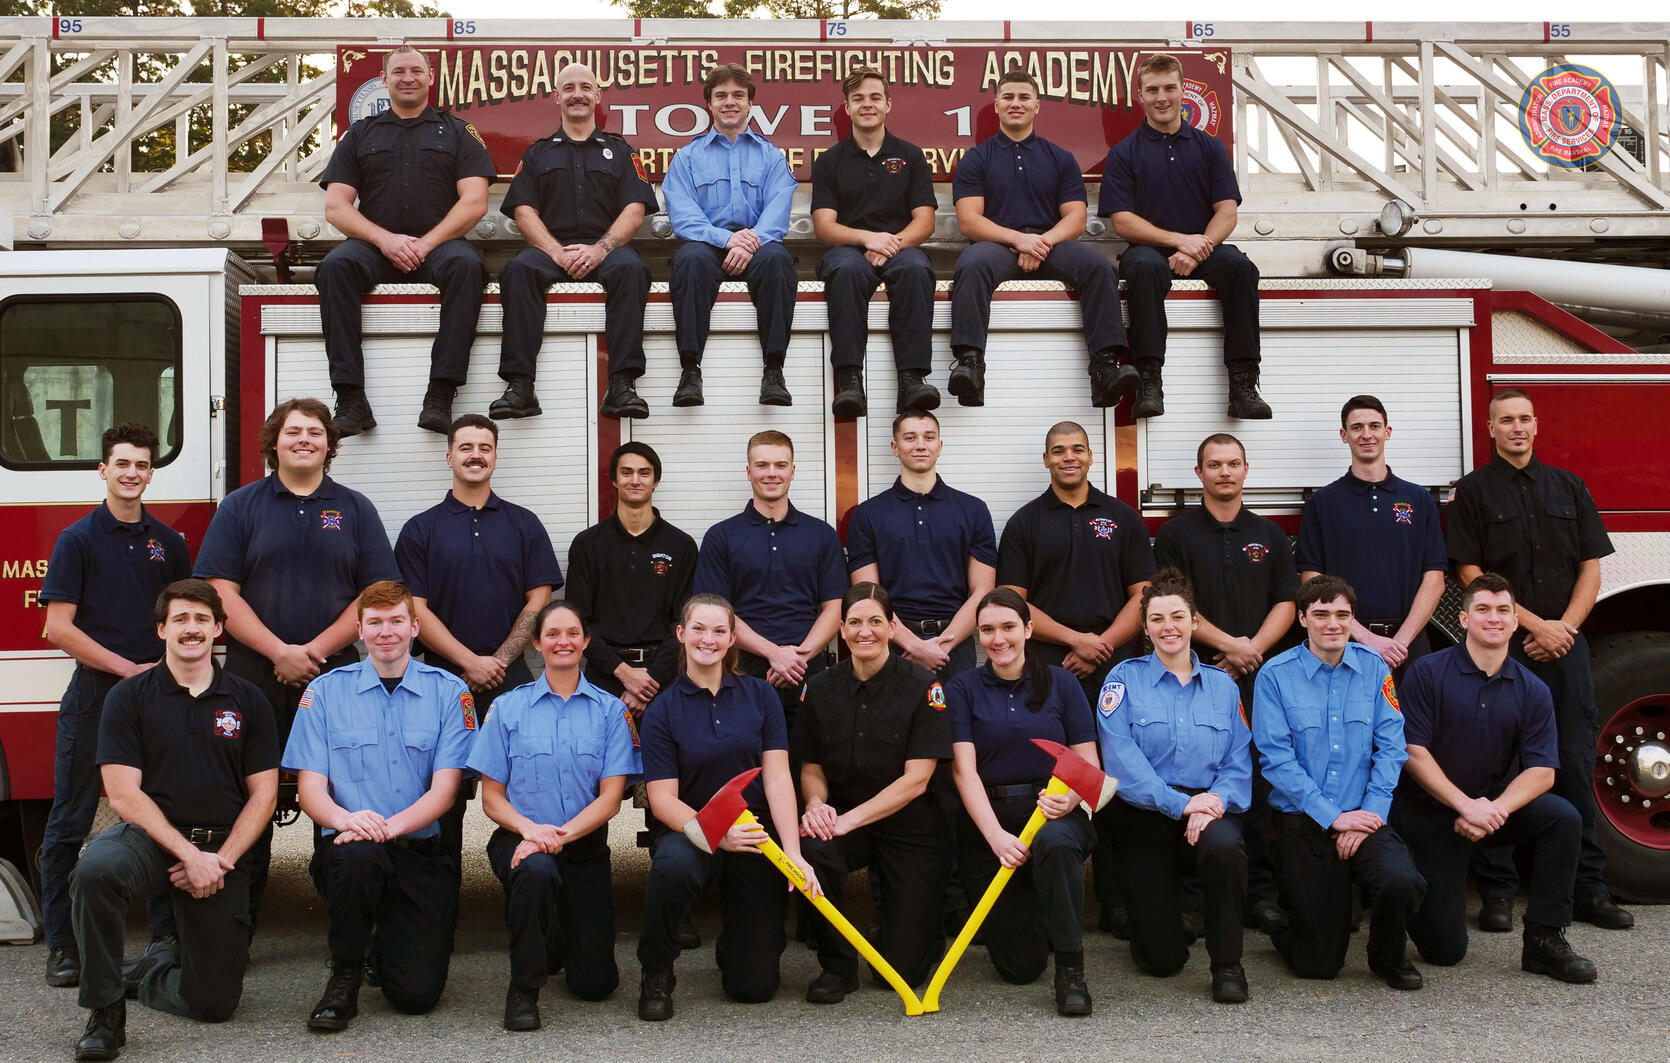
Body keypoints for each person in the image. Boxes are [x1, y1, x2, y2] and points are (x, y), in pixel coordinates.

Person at [193, 397, 401, 922]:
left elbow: (376, 593)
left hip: (335, 679)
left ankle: (345, 917)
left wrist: (314, 653)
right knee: (249, 791)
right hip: (251, 678)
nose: (304, 439)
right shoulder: (240, 506)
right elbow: (220, 590)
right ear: (274, 443)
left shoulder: (355, 508)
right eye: (293, 431)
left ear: (330, 445)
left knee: (336, 789)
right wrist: (278, 652)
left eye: (315, 431)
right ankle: (238, 918)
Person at [68, 580, 278, 1060]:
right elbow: (123, 793)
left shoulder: (248, 701)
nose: (192, 628)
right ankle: (105, 1013)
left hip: (223, 850)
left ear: (219, 629)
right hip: (153, 839)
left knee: (213, 1004)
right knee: (95, 871)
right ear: (162, 629)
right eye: (181, 619)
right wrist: (188, 855)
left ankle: (150, 971)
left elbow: (264, 795)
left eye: (202, 619)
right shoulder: (130, 698)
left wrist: (218, 861)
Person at [1447, 389, 1631, 932]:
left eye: (1525, 419)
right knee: (1495, 762)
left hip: (1564, 647)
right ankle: (1499, 891)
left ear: (1536, 425)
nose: (1517, 428)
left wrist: (1564, 630)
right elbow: (1470, 575)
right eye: (1506, 420)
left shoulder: (1568, 487)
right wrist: (1532, 626)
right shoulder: (1474, 492)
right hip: (1506, 647)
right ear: (1491, 428)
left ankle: (1588, 889)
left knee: (1573, 760)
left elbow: (1592, 566)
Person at [283, 581, 474, 1032]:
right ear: (359, 630)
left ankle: (382, 943)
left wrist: (386, 828)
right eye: (375, 623)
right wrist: (346, 820)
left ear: (415, 627)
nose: (385, 632)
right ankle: (344, 978)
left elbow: (445, 791)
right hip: (351, 850)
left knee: (416, 997)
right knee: (357, 856)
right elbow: (309, 789)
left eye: (395, 622)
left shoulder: (451, 693)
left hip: (418, 855)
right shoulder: (325, 693)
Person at [39, 423, 190, 990]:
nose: (132, 473)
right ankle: (62, 945)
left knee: (160, 813)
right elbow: (58, 628)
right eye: (121, 463)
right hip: (96, 697)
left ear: (152, 472)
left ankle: (163, 938)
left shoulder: (169, 544)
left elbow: (185, 617)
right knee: (69, 821)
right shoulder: (77, 539)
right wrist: (128, 670)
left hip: (157, 700)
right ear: (102, 470)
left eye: (142, 465)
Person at [1394, 573, 1599, 984]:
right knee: (1445, 952)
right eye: (1483, 609)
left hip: (1487, 810)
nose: (1494, 618)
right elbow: (1412, 754)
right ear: (1464, 619)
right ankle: (1415, 903)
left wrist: (1494, 809)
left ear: (1514, 619)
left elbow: (1542, 771)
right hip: (1430, 815)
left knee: (1563, 817)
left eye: (1503, 610)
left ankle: (1545, 939)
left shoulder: (1532, 688)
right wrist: (1463, 805)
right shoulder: (1426, 673)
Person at [996, 420, 1154, 931]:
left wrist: (1101, 643)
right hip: (1050, 670)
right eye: (1058, 451)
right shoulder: (1024, 523)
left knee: (1117, 776)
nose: (1069, 457)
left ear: (1092, 457)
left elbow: (1143, 595)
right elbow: (1014, 602)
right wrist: (1074, 641)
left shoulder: (1122, 518)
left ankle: (1117, 900)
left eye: (1078, 449)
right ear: (1046, 459)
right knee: (1056, 778)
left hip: (1116, 670)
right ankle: (1051, 893)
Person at [395, 413, 561, 886]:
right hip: (439, 684)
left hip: (512, 683)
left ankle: (528, 890)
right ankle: (434, 906)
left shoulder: (524, 524)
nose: (475, 454)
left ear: (495, 456)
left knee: (526, 791)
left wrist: (500, 662)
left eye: (484, 447)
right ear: (449, 456)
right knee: (440, 798)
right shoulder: (420, 529)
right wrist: (469, 662)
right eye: (465, 446)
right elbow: (415, 609)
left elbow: (540, 598)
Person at [635, 594, 819, 1020]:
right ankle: (657, 969)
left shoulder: (761, 696)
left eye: (720, 630)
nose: (708, 639)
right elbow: (662, 799)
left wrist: (792, 852)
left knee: (753, 988)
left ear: (733, 637)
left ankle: (736, 945)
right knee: (672, 869)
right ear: (681, 635)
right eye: (698, 628)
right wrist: (714, 833)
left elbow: (776, 778)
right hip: (690, 830)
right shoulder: (662, 709)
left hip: (753, 833)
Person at [467, 601, 640, 1031]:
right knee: (538, 870)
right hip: (520, 840)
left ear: (585, 641)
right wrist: (531, 831)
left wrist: (560, 836)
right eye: (552, 634)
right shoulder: (507, 709)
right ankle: (523, 991)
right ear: (536, 643)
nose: (563, 641)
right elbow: (492, 798)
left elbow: (611, 799)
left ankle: (556, 932)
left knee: (596, 985)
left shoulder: (610, 712)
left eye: (572, 633)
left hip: (582, 846)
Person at [1253, 575, 1427, 990]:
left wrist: (1369, 814)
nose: (1333, 623)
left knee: (1401, 880)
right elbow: (1276, 760)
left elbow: (1392, 748)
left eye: (1343, 615)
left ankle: (1386, 956)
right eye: (1321, 614)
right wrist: (1334, 819)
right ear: (1302, 618)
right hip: (1307, 820)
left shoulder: (1374, 670)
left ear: (1353, 619)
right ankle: (1281, 925)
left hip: (1365, 813)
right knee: (1318, 965)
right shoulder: (1274, 676)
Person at [1154, 433, 1295, 935]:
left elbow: (1287, 601)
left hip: (1261, 683)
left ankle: (1257, 894)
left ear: (1246, 469)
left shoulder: (1271, 535)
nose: (1224, 472)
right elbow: (1174, 604)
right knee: (1193, 774)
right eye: (1214, 465)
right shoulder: (1176, 536)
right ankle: (1193, 898)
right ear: (1199, 474)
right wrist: (1230, 649)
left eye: (1233, 463)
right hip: (1196, 675)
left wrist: (1250, 650)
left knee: (1255, 781)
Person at [314, 43, 495, 436]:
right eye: (398, 72)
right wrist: (386, 241)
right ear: (384, 79)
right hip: (375, 245)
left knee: (467, 267)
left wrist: (425, 244)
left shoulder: (459, 132)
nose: (408, 77)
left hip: (440, 244)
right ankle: (350, 399)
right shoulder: (360, 134)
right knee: (334, 268)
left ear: (431, 77)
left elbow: (475, 202)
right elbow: (337, 207)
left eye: (416, 70)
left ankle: (441, 395)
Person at [1097, 570, 1252, 1004]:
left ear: (1194, 622)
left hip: (1208, 809)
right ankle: (1163, 925)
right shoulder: (1122, 680)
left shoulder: (1223, 687)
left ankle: (1228, 964)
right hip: (1145, 814)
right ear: (1145, 627)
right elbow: (1122, 761)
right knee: (1162, 961)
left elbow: (1239, 761)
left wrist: (1213, 802)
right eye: (1158, 618)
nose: (1169, 627)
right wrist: (1181, 805)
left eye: (1178, 616)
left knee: (1225, 849)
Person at [794, 583, 952, 1002]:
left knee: (899, 972)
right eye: (855, 622)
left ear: (892, 626)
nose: (866, 631)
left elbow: (917, 779)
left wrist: (847, 819)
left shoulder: (923, 688)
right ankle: (838, 965)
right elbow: (811, 767)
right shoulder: (820, 688)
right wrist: (815, 804)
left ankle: (913, 927)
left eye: (876, 622)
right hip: (846, 819)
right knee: (811, 848)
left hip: (910, 827)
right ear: (841, 630)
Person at [946, 588, 1098, 1016]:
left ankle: (1071, 967)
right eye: (988, 630)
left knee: (1056, 844)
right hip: (990, 823)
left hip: (1052, 811)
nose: (999, 639)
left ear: (1028, 630)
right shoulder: (962, 689)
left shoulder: (1063, 682)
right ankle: (1040, 913)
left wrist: (1068, 798)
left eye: (1009, 627)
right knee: (1020, 967)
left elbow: (1087, 763)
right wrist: (994, 837)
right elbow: (963, 771)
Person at [1099, 52, 1270, 420]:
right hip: (1148, 250)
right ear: (1140, 96)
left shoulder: (1209, 147)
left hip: (1204, 246)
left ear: (1182, 91)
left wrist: (1198, 248)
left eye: (1169, 88)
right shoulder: (1125, 153)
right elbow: (1123, 222)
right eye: (1153, 89)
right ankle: (1149, 381)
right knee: (1143, 270)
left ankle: (1243, 384)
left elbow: (1227, 212)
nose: (1162, 96)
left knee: (1241, 269)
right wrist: (1180, 241)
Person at [949, 68, 1130, 409]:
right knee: (970, 265)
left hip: (1052, 244)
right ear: (996, 105)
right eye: (1008, 97)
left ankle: (1105, 367)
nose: (1016, 103)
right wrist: (1020, 240)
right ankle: (970, 364)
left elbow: (1075, 219)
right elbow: (969, 220)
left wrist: (1041, 242)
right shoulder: (976, 158)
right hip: (996, 247)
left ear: (1037, 105)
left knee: (1099, 267)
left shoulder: (1060, 158)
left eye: (1023, 97)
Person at [492, 63, 659, 421]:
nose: (577, 94)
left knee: (632, 269)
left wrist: (600, 249)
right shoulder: (537, 154)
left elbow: (634, 209)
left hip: (607, 249)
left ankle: (623, 384)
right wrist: (555, 251)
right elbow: (523, 211)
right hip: (552, 249)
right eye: (568, 88)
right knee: (517, 270)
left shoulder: (621, 151)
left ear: (598, 96)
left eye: (586, 87)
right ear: (557, 97)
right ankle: (520, 386)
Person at [662, 62, 799, 408]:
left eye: (738, 95)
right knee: (690, 260)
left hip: (758, 245)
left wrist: (750, 240)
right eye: (721, 95)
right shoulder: (687, 157)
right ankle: (690, 370)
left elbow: (777, 211)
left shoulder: (771, 156)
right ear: (708, 104)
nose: (729, 102)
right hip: (708, 244)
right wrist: (726, 240)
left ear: (750, 103)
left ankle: (774, 370)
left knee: (778, 261)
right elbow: (683, 215)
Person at [692, 430, 846, 737]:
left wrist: (797, 657)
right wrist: (774, 654)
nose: (771, 473)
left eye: (780, 465)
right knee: (746, 770)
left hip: (809, 674)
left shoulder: (821, 535)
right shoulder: (721, 537)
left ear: (792, 470)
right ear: (749, 471)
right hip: (740, 674)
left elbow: (835, 606)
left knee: (806, 767)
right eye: (762, 465)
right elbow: (715, 614)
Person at [811, 67, 940, 417]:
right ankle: (850, 379)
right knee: (847, 272)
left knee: (916, 269)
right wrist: (867, 238)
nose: (867, 105)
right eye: (858, 99)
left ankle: (913, 379)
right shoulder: (829, 161)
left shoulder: (911, 156)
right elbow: (824, 225)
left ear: (888, 104)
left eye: (874, 97)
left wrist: (891, 245)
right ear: (847, 108)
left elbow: (924, 221)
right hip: (847, 248)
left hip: (901, 247)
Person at [1295, 395, 1446, 679]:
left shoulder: (1419, 499)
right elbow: (1311, 581)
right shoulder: (1323, 503)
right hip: (1342, 643)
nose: (1366, 435)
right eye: (1357, 427)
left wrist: (1399, 643)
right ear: (1344, 435)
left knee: (1412, 724)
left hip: (1409, 646)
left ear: (1387, 432)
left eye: (1374, 426)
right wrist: (1367, 639)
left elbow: (1435, 580)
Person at [846, 410, 997, 681]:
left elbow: (983, 591)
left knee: (953, 723)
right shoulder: (867, 514)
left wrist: (942, 647)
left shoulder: (973, 510)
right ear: (895, 447)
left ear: (939, 446)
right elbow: (868, 594)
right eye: (910, 437)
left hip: (956, 647)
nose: (920, 445)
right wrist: (915, 646)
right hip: (891, 646)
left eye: (929, 437)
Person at [566, 442, 697, 716]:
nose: (635, 480)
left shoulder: (681, 545)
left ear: (656, 481)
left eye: (644, 473)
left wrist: (651, 680)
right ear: (614, 479)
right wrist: (623, 672)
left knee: (661, 758)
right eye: (626, 472)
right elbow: (578, 621)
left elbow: (684, 622)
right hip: (603, 677)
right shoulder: (587, 545)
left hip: (663, 677)